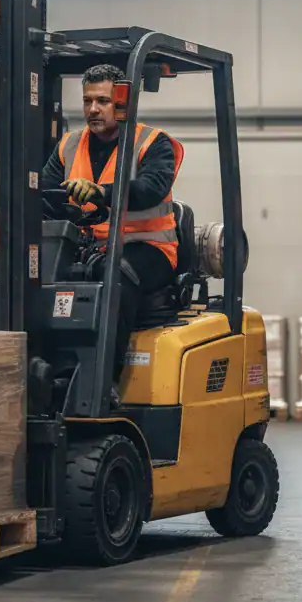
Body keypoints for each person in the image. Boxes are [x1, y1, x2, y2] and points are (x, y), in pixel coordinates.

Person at [41, 64, 184, 386]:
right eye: (88, 100)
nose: (93, 109)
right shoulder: (69, 144)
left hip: (147, 248)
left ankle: (101, 385)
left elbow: (150, 189)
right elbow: (45, 192)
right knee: (27, 268)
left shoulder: (153, 143)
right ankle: (39, 373)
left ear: (123, 102)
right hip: (85, 248)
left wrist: (102, 193)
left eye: (103, 101)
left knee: (112, 274)